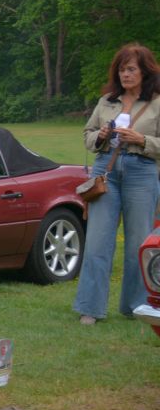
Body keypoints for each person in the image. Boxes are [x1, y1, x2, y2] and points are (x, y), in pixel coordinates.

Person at [73, 43, 160, 325]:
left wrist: (141, 140)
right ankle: (90, 307)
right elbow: (87, 135)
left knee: (138, 242)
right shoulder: (107, 101)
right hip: (105, 172)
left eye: (131, 69)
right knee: (98, 241)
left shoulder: (157, 102)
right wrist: (101, 136)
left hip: (142, 172)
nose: (125, 74)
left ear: (145, 71)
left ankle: (136, 306)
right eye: (122, 69)